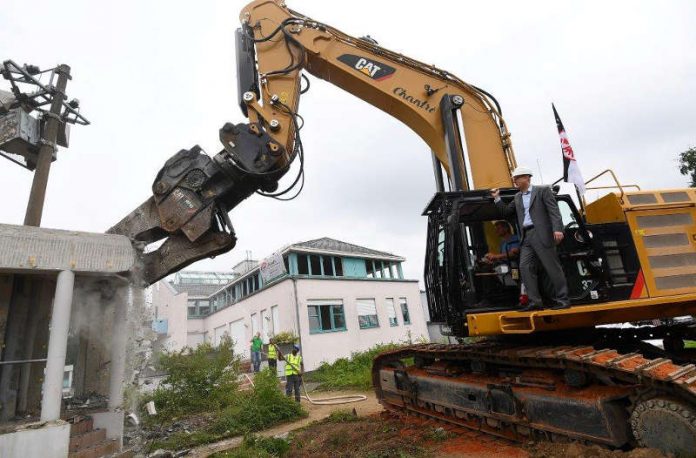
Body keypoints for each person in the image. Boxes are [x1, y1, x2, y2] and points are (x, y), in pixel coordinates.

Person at [492, 166, 570, 311]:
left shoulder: (543, 191)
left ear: (527, 178)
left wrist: (558, 229)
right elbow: (506, 212)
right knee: (525, 267)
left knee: (552, 268)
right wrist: (497, 198)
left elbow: (554, 211)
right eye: (514, 178)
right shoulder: (517, 197)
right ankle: (535, 302)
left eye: (517, 178)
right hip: (526, 237)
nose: (514, 180)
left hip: (541, 234)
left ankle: (563, 300)